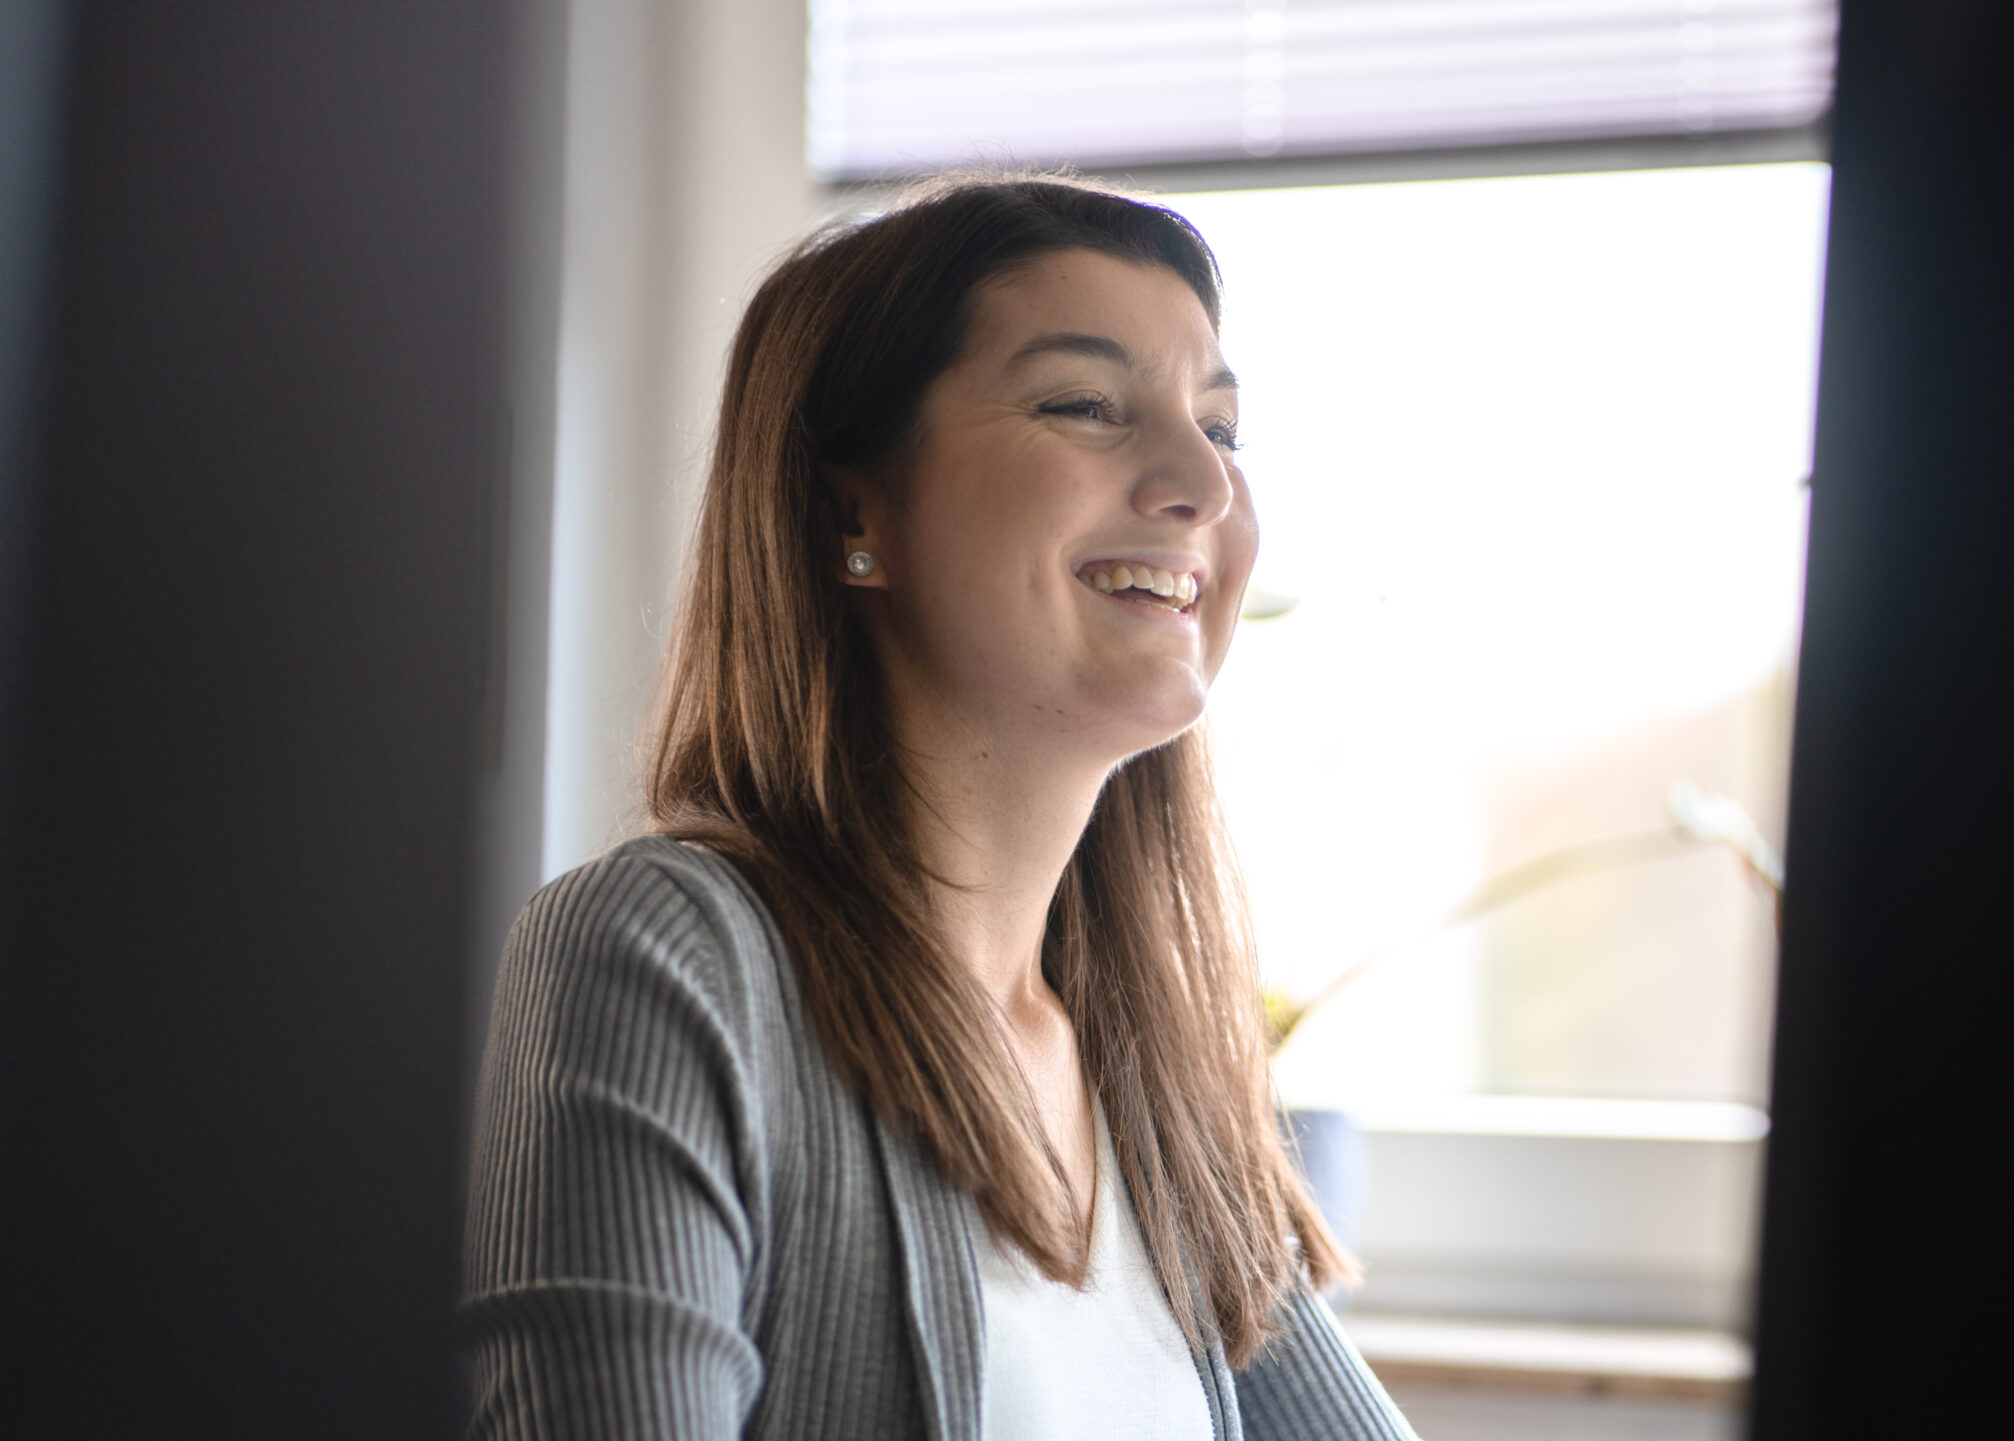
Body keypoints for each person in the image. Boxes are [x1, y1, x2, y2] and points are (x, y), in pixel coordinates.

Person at [461, 177, 1417, 1440]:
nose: (1201, 481)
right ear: (857, 511)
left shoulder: (1151, 1064)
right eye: (1085, 404)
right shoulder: (661, 957)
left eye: (1223, 429)